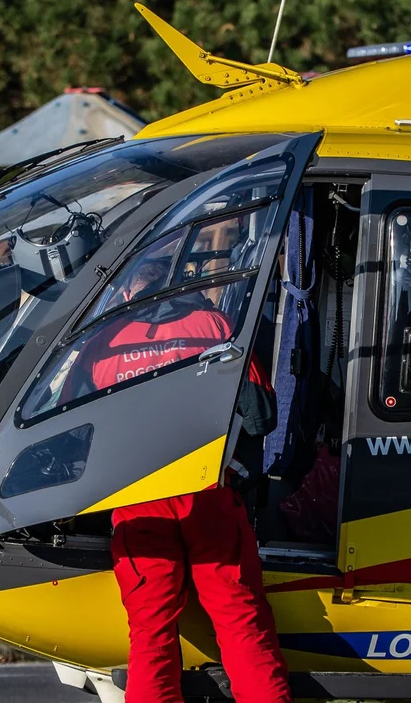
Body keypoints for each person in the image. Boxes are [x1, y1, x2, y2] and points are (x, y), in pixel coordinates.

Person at [73, 258, 291, 703]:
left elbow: (72, 430)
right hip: (207, 492)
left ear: (130, 294)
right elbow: (261, 416)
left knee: (150, 635)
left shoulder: (102, 342)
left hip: (136, 499)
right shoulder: (215, 325)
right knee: (242, 625)